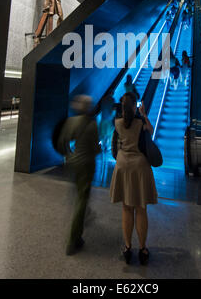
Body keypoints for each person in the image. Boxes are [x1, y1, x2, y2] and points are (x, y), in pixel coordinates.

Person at [110, 93, 157, 265]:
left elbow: (114, 146)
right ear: (134, 106)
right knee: (141, 208)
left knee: (126, 208)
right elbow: (151, 132)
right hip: (139, 168)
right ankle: (143, 249)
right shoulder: (140, 123)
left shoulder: (117, 123)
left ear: (122, 107)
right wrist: (143, 113)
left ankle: (128, 248)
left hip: (123, 166)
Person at [57, 95, 101, 255]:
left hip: (73, 163)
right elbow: (96, 149)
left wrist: (69, 155)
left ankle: (80, 228)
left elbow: (62, 142)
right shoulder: (92, 124)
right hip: (86, 165)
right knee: (82, 201)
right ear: (88, 107)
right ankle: (73, 239)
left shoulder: (71, 121)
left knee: (79, 195)